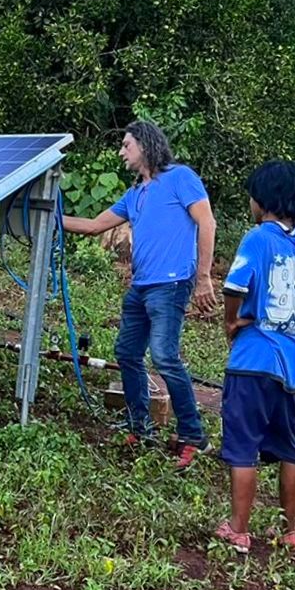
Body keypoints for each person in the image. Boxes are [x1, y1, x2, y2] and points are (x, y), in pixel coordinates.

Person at [62, 120, 216, 469]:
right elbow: (93, 226)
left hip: (172, 284)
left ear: (145, 145)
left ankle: (194, 436)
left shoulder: (180, 178)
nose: (122, 152)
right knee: (128, 353)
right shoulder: (135, 195)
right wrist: (48, 215)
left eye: (126, 145)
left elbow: (207, 223)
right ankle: (140, 427)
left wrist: (204, 277)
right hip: (141, 287)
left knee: (164, 356)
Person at [213, 160, 295, 555]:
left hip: (253, 360)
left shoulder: (257, 238)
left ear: (262, 199)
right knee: (288, 449)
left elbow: (233, 286)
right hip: (293, 364)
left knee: (243, 447)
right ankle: (288, 531)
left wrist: (231, 322)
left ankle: (239, 529)